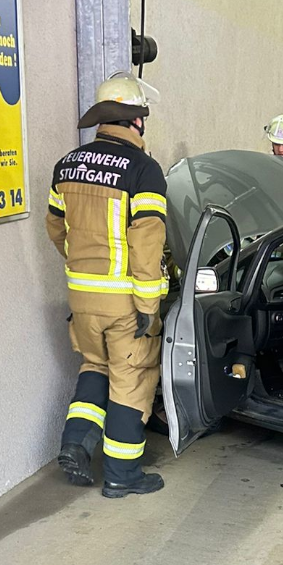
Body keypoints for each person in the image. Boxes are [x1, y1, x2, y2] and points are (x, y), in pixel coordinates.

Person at [46, 72, 169, 498]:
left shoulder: (68, 164)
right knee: (131, 378)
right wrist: (148, 306)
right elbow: (148, 243)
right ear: (134, 122)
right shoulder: (143, 170)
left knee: (95, 366)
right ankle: (122, 474)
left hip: (82, 300)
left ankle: (75, 445)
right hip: (125, 304)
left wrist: (83, 268)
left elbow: (56, 227)